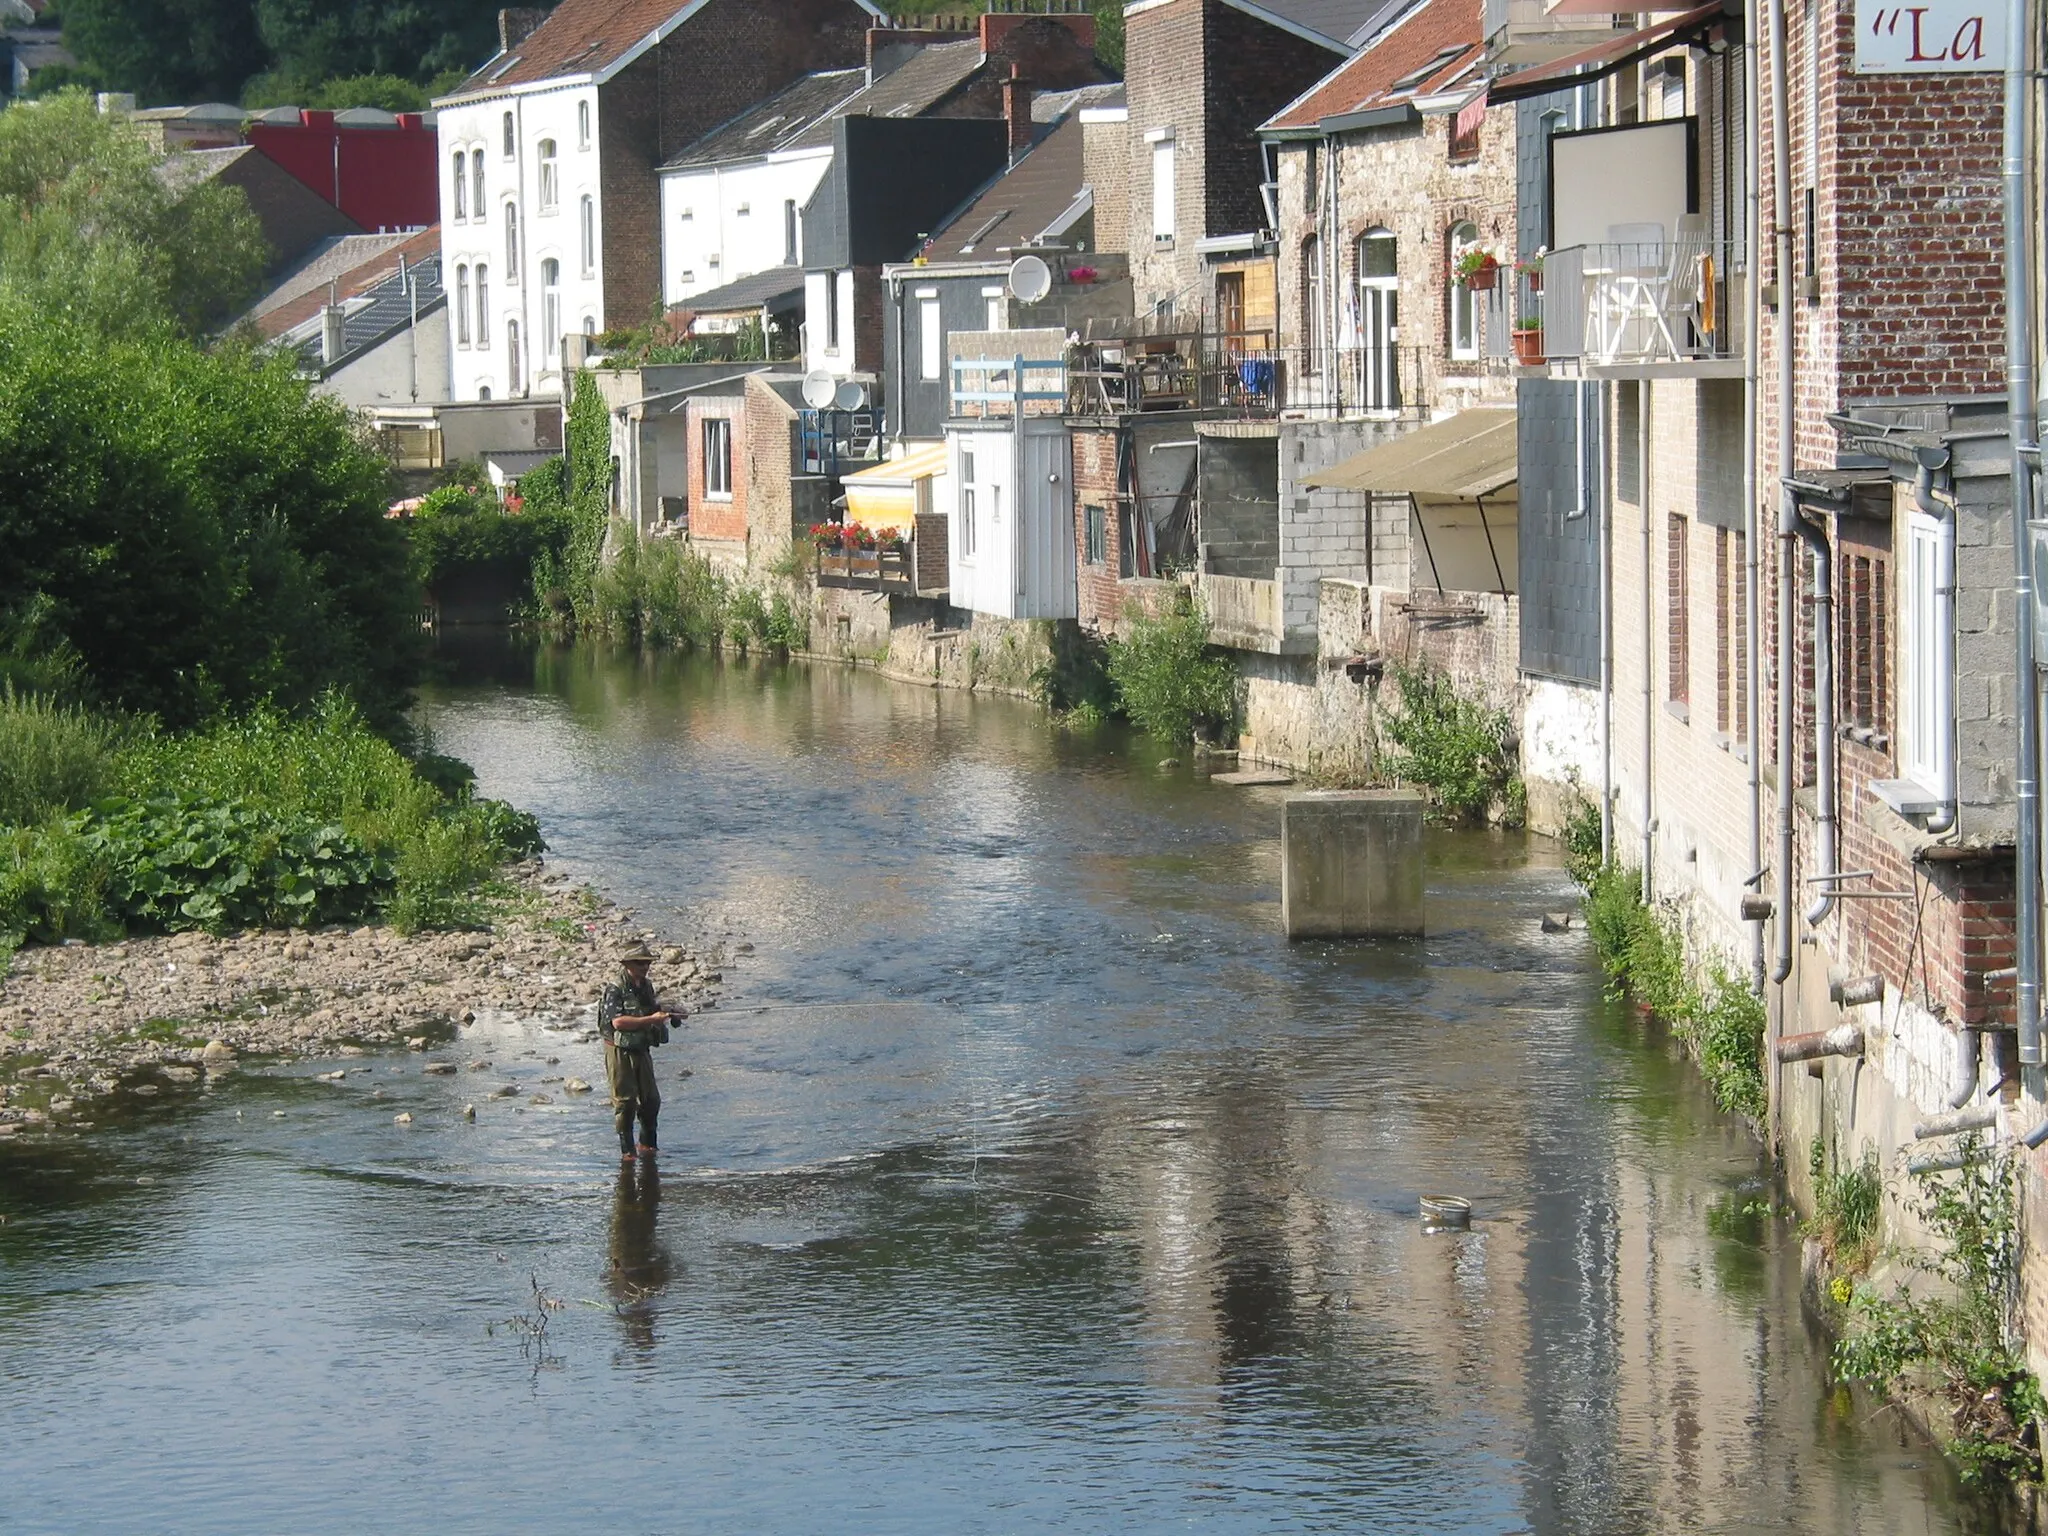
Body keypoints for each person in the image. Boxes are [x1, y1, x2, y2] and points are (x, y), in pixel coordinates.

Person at [598, 941, 681, 1161]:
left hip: (641, 1049)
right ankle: (627, 1152)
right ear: (627, 964)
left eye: (647, 963)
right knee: (625, 1103)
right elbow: (618, 1023)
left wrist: (671, 1014)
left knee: (651, 1100)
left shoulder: (645, 986)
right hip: (618, 1051)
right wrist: (650, 1020)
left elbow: (652, 1009)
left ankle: (648, 1146)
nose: (644, 967)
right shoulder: (614, 988)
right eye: (639, 963)